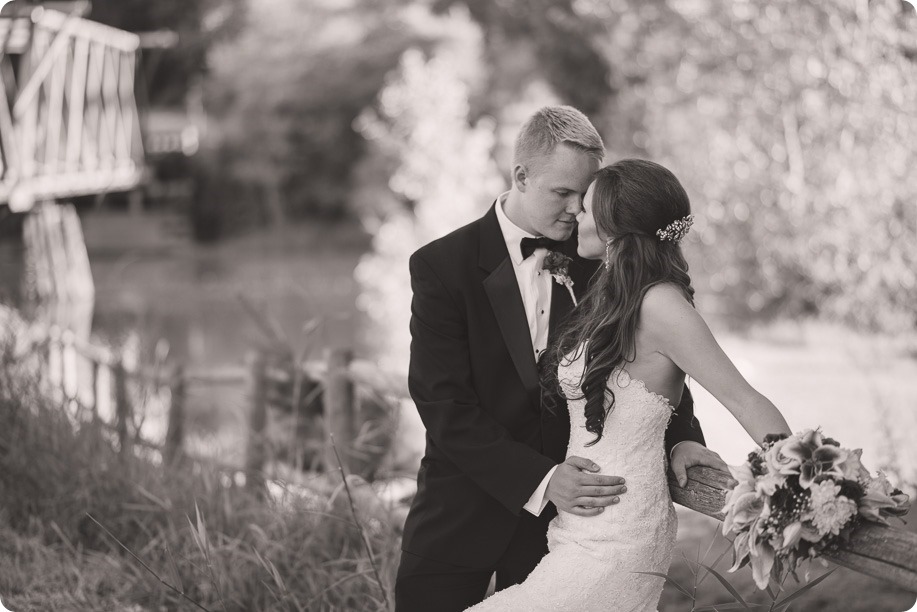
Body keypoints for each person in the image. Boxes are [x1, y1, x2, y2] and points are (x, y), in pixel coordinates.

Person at [395, 107, 720, 612]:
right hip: (460, 511)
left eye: (585, 195)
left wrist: (682, 439)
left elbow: (656, 361)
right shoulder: (442, 267)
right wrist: (541, 480)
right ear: (520, 176)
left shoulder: (604, 255)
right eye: (562, 193)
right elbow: (442, 404)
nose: (575, 210)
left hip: (570, 531)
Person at [465, 159, 792, 611]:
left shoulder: (662, 305)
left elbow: (743, 397)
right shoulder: (614, 293)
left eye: (588, 206)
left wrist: (802, 479)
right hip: (579, 529)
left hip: (622, 535)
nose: (576, 211)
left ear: (618, 226)